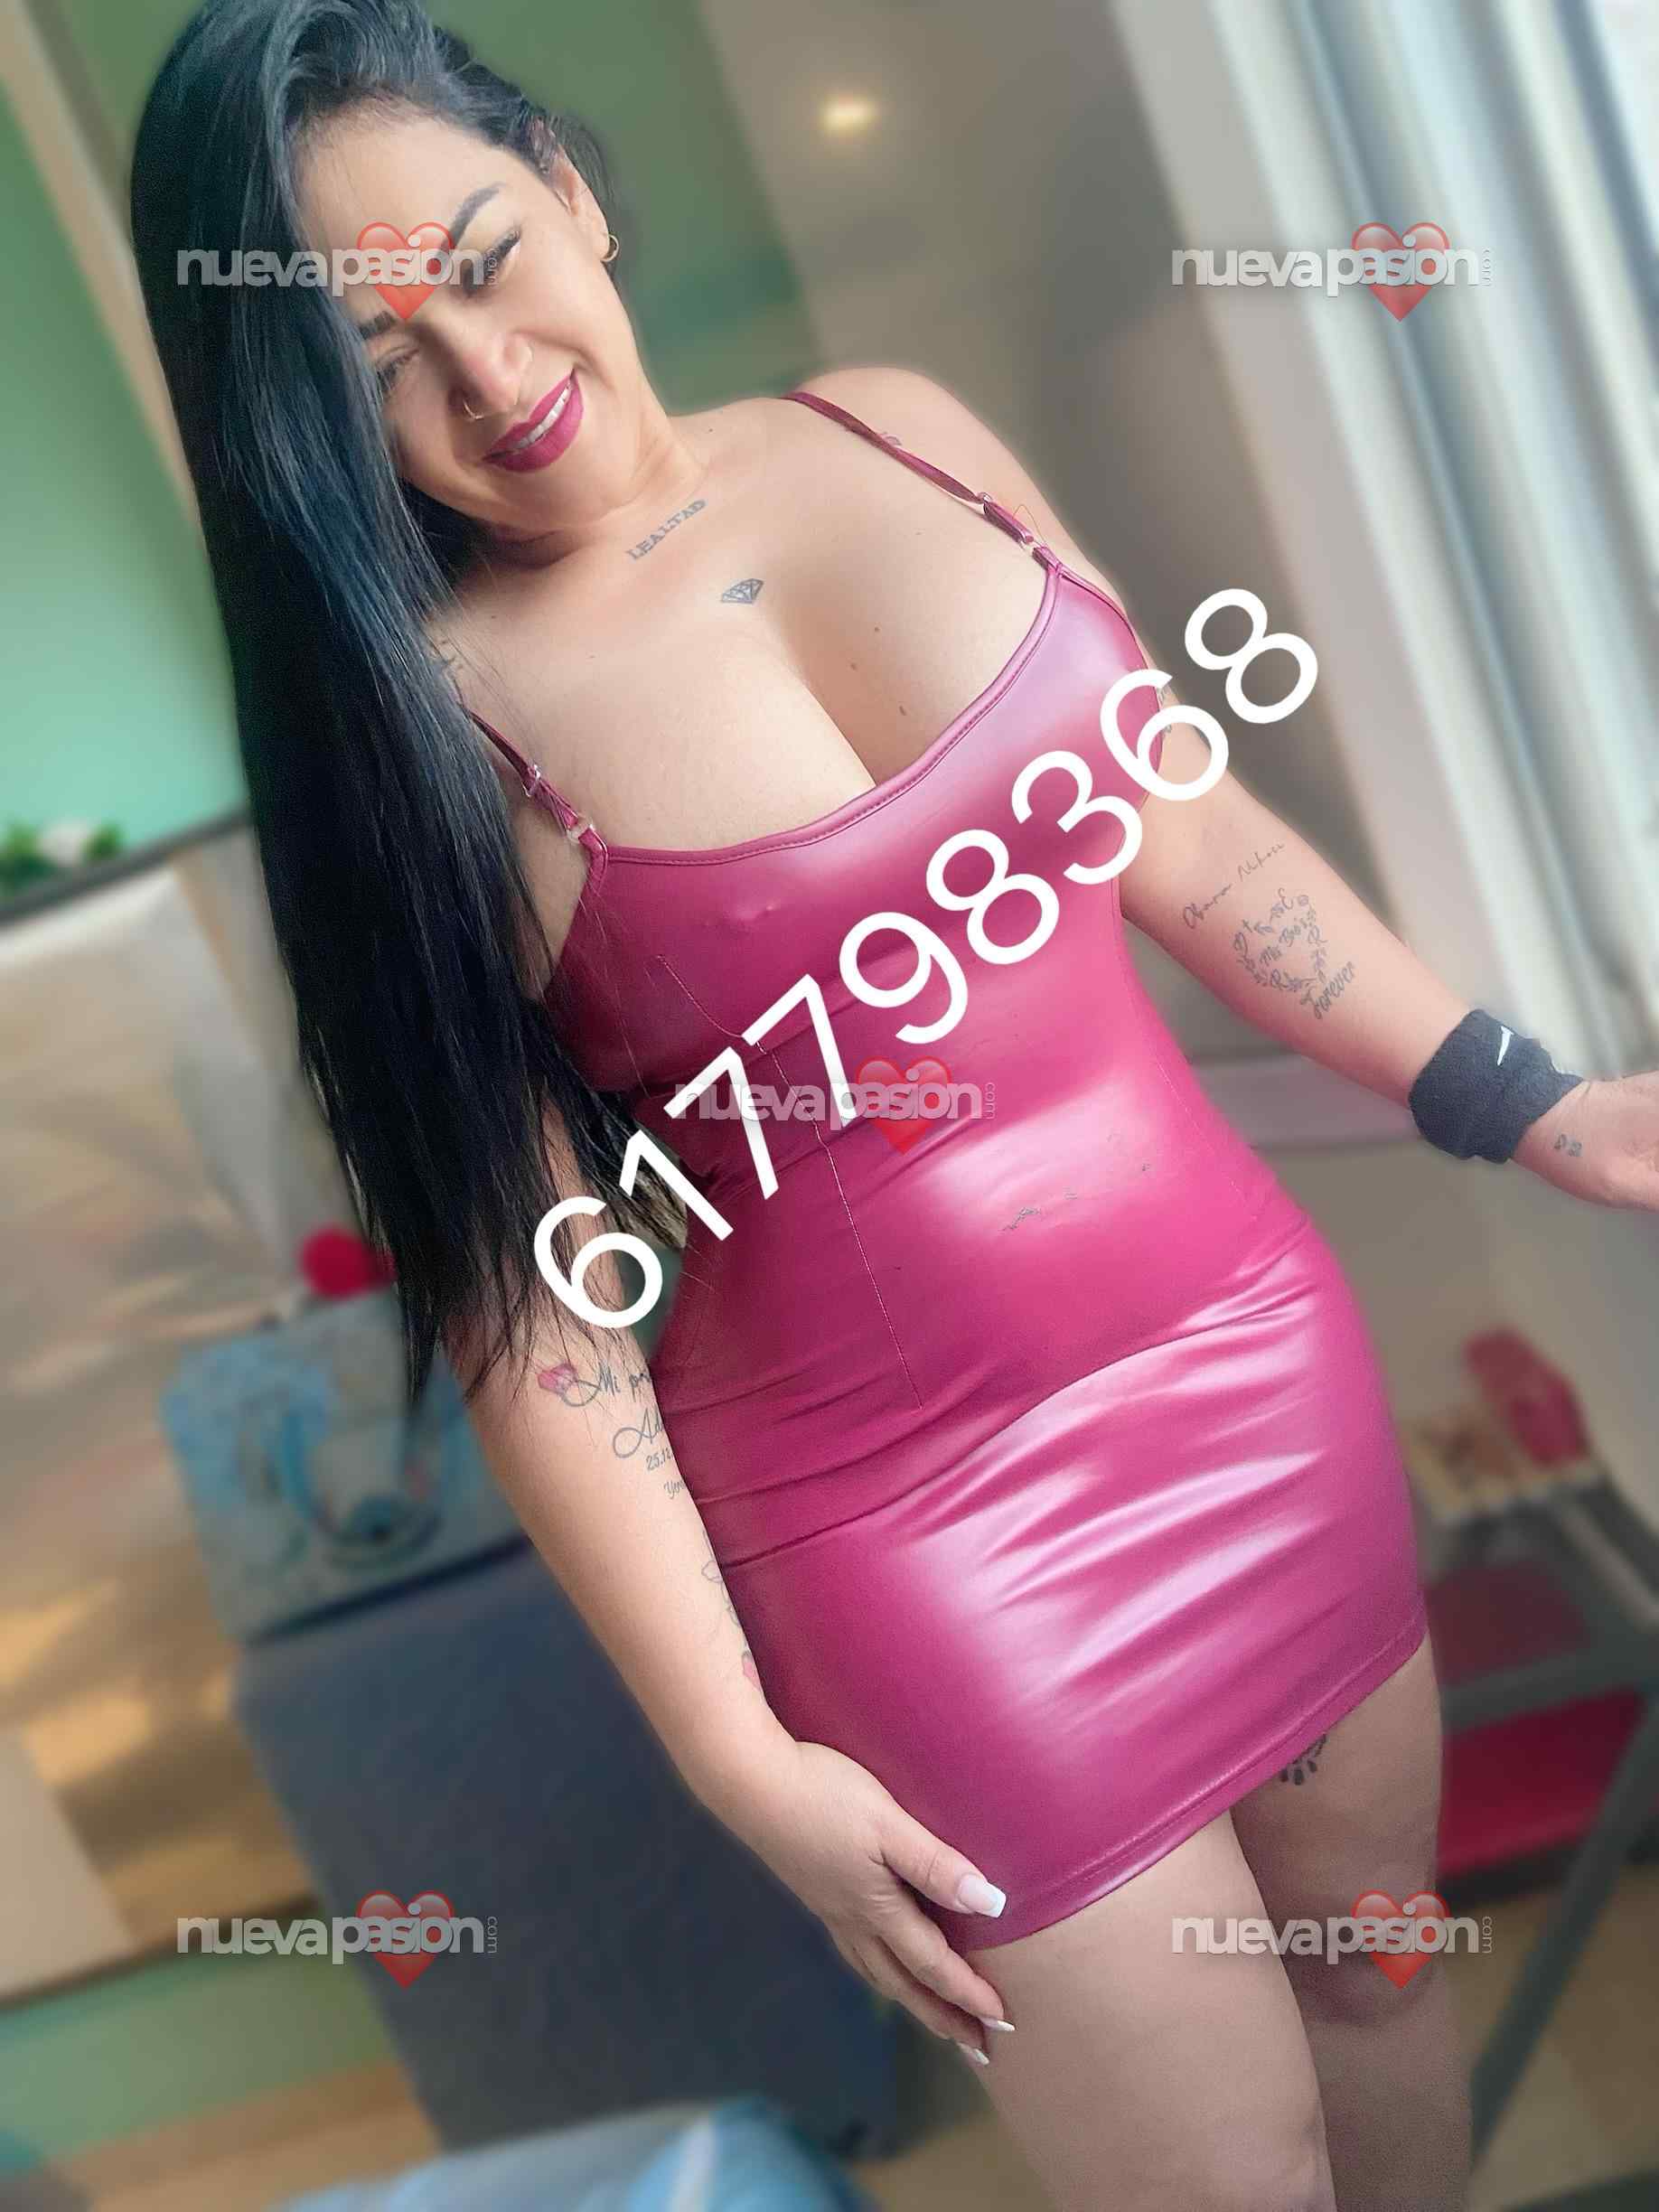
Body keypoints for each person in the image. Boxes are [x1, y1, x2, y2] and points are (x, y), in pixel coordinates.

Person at [128, 5, 1659, 2207]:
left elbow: (1188, 832)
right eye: (379, 362)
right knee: (1231, 2171)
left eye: (481, 257)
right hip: (920, 1544)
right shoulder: (425, 753)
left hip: (1249, 1357)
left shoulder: (898, 428)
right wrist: (736, 1754)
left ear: (566, 186)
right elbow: (534, 1319)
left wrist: (1534, 1104)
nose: (483, 371)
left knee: (1381, 1989)